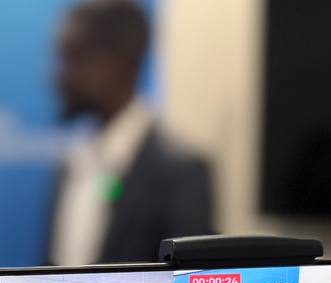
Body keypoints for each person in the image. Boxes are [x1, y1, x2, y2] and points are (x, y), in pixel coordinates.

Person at [46, 0, 214, 266]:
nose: (57, 77)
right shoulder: (71, 165)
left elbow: (189, 282)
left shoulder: (180, 174)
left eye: (72, 58)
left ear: (118, 63)